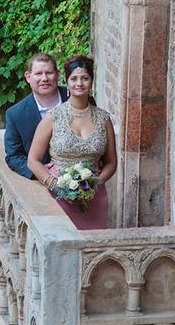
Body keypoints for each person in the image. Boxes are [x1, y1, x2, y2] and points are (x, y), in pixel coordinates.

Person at [27, 55, 117, 230]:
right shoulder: (53, 117)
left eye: (85, 78)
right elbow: (33, 160)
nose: (79, 83)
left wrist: (96, 183)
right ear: (67, 82)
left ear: (91, 81)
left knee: (92, 248)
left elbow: (111, 162)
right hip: (58, 196)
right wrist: (56, 187)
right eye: (74, 79)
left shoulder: (103, 119)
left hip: (94, 196)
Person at [4, 53, 68, 179]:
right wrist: (40, 172)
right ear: (28, 77)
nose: (44, 78)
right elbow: (13, 156)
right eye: (38, 73)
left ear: (58, 74)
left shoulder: (78, 99)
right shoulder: (15, 114)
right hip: (42, 185)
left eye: (49, 73)